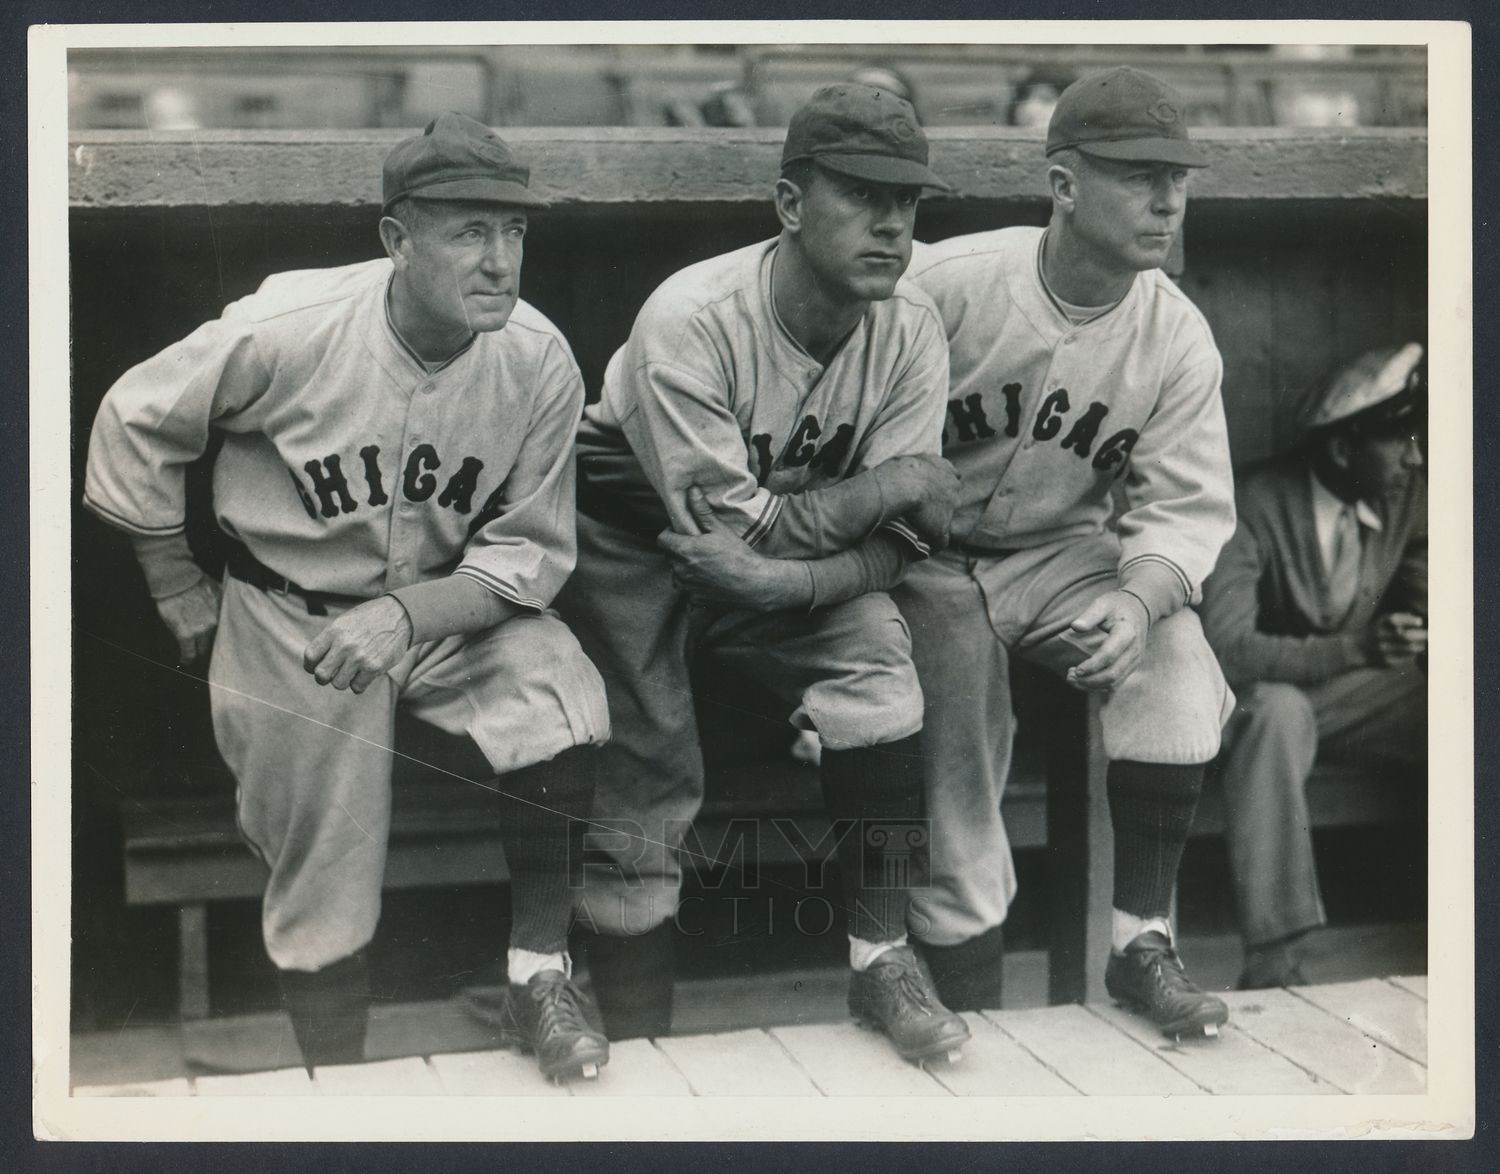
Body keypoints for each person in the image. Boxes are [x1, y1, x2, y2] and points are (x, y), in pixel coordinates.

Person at [83, 113, 613, 1082]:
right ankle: (343, 1094)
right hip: (293, 617)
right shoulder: (287, 328)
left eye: (515, 232)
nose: (501, 261)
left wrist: (413, 615)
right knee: (321, 892)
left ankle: (539, 975)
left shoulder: (538, 357)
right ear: (396, 240)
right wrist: (173, 582)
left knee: (559, 687)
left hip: (443, 615)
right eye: (469, 232)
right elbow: (131, 420)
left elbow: (529, 553)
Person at [556, 83, 971, 1065]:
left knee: (878, 652)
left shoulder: (909, 325)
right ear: (790, 205)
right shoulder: (693, 317)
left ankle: (883, 957)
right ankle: (638, 1048)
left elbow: (911, 536)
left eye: (908, 202)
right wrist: (891, 485)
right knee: (648, 773)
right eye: (862, 194)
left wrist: (804, 585)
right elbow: (743, 532)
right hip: (631, 539)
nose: (891, 223)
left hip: (785, 565)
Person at [895, 66, 1238, 1037]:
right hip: (918, 554)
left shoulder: (1175, 333)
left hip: (1055, 552)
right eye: (1137, 174)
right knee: (959, 735)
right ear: (1063, 185)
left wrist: (1136, 604)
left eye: (1177, 175)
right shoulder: (950, 283)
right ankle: (960, 982)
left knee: (1176, 661)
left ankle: (1140, 942)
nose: (1166, 198)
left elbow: (1187, 509)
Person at [1200, 343, 1427, 989]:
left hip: (1353, 702)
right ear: (1340, 449)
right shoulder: (1253, 503)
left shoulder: (1406, 493)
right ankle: (1273, 957)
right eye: (1398, 442)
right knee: (1277, 709)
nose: (1415, 456)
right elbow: (1227, 649)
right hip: (1250, 705)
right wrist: (1355, 649)